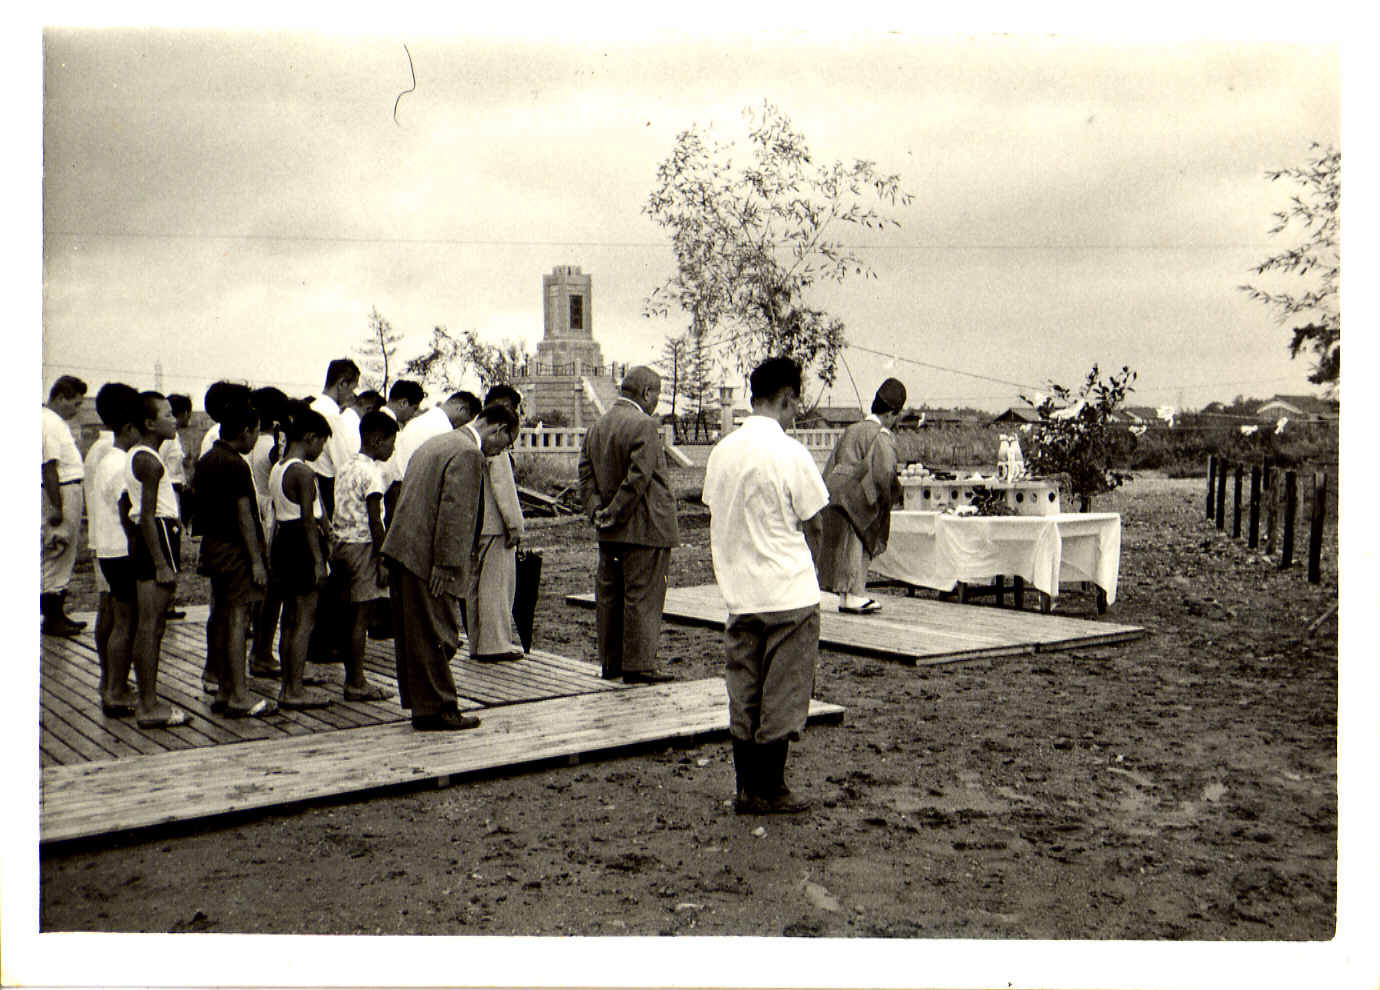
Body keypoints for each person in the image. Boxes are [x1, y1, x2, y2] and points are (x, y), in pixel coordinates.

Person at [702, 357, 829, 815]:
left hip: (741, 592)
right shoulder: (791, 453)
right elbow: (816, 522)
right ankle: (772, 787)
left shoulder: (723, 452)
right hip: (788, 592)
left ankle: (745, 786)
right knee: (785, 690)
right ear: (788, 398)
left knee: (744, 687)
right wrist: (811, 571)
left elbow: (716, 509)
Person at [381, 402, 519, 731]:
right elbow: (455, 513)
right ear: (498, 429)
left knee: (415, 635)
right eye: (507, 443)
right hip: (427, 557)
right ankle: (441, 708)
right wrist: (446, 564)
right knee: (437, 633)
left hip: (403, 550)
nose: (502, 451)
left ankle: (424, 707)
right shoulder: (468, 453)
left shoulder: (438, 442)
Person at [577, 365, 679, 683]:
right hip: (646, 528)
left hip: (609, 532)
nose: (657, 402)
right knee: (642, 596)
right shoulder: (644, 425)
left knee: (610, 596)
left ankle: (612, 664)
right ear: (647, 393)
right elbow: (639, 477)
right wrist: (616, 511)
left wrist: (598, 511)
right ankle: (639, 665)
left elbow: (585, 473)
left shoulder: (597, 426)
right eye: (657, 394)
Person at [193, 395, 277, 719]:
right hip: (235, 551)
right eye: (255, 431)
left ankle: (225, 690)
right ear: (245, 431)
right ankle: (240, 695)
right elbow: (244, 516)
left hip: (213, 548)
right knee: (239, 621)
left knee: (223, 616)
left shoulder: (207, 460)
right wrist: (257, 561)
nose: (255, 438)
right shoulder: (236, 465)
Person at [123, 391, 193, 728]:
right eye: (167, 414)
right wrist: (161, 563)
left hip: (157, 536)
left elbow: (129, 507)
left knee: (154, 625)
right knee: (150, 626)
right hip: (158, 537)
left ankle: (148, 699)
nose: (174, 419)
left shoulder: (141, 456)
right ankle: (148, 705)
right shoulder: (148, 461)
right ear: (149, 423)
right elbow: (147, 515)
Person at [815, 378, 907, 614]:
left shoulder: (851, 429)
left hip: (834, 492)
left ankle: (845, 596)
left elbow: (832, 463)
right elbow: (885, 471)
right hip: (858, 497)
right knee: (859, 543)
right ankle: (855, 595)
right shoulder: (881, 435)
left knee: (843, 546)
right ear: (891, 413)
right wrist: (891, 496)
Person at [267, 407, 335, 710]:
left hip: (284, 541)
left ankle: (288, 686)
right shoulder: (303, 472)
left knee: (289, 620)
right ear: (310, 438)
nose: (321, 450)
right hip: (302, 544)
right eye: (321, 443)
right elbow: (308, 519)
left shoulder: (279, 468)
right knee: (304, 620)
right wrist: (319, 560)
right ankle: (294, 689)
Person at [329, 410, 398, 701]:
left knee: (348, 616)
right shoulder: (373, 473)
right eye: (391, 443)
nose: (393, 449)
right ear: (377, 440)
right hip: (363, 547)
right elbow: (375, 520)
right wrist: (383, 558)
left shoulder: (345, 467)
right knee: (361, 617)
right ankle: (356, 682)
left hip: (341, 545)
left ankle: (353, 678)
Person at [85, 383, 143, 716]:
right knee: (126, 623)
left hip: (109, 548)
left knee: (120, 619)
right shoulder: (121, 463)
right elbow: (128, 511)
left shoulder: (105, 456)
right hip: (122, 550)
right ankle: (116, 690)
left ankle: (112, 684)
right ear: (130, 427)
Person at [466, 385, 526, 662]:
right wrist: (515, 526)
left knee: (476, 588)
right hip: (495, 525)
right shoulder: (498, 445)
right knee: (497, 587)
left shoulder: (474, 438)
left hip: (475, 524)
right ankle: (496, 643)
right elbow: (504, 490)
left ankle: (478, 642)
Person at [41, 374, 89, 636]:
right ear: (60, 398)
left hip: (69, 488)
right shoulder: (49, 422)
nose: (77, 409)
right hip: (63, 489)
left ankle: (57, 613)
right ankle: (52, 617)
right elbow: (49, 467)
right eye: (75, 403)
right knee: (58, 548)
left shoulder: (55, 422)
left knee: (64, 552)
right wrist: (56, 507)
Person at [308, 358, 361, 519]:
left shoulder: (310, 408)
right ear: (342, 383)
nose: (352, 395)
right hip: (326, 491)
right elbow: (344, 464)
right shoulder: (333, 416)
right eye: (352, 388)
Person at [391, 390, 481, 481]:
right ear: (461, 410)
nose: (461, 426)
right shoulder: (444, 431)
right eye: (465, 421)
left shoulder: (419, 420)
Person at [161, 393, 193, 621]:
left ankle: (167, 603)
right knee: (171, 552)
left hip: (172, 495)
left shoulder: (170, 438)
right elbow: (172, 475)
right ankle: (167, 604)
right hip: (170, 496)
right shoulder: (170, 439)